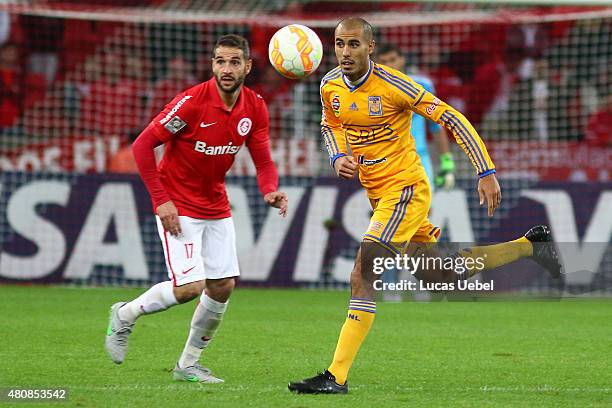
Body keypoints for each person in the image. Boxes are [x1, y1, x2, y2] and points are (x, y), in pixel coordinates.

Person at [288, 18, 561, 394]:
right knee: (439, 277)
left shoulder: (395, 85)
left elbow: (450, 117)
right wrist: (336, 156)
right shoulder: (329, 84)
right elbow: (330, 124)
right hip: (378, 192)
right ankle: (531, 245)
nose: (345, 52)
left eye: (353, 44)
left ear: (371, 47)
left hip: (406, 189)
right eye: (339, 44)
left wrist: (485, 170)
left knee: (363, 272)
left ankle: (336, 375)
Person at [105, 34, 288, 383]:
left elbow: (263, 160)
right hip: (178, 203)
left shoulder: (255, 107)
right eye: (220, 61)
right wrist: (162, 200)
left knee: (223, 287)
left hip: (216, 205)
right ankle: (125, 314)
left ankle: (187, 365)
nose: (227, 68)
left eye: (235, 61)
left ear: (248, 66)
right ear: (212, 64)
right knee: (190, 287)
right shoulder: (190, 103)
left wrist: (270, 190)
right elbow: (144, 145)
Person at [376, 43, 455, 191]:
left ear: (402, 60)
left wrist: (447, 162)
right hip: (386, 162)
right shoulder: (370, 91)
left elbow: (436, 126)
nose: (389, 65)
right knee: (388, 212)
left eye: (392, 60)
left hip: (419, 159)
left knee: (424, 210)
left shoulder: (423, 85)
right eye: (384, 62)